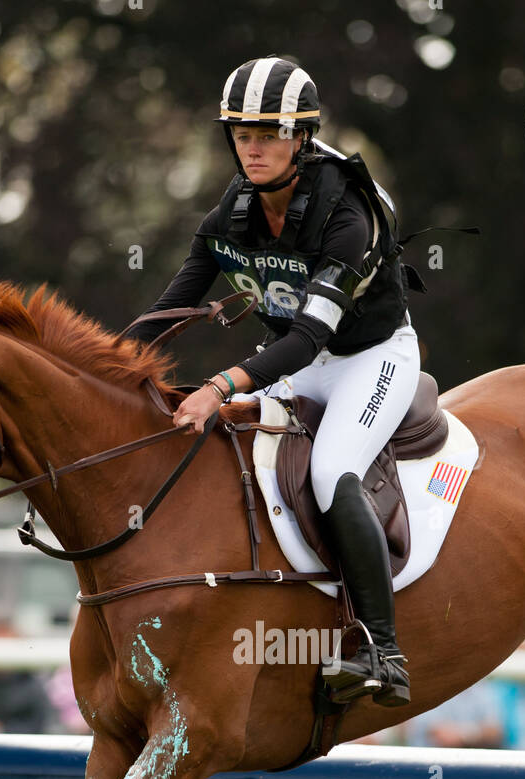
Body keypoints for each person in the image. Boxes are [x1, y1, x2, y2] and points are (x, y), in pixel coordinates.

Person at [123, 55, 422, 706]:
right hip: (297, 360)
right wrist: (99, 367)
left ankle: (382, 650)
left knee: (330, 469)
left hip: (370, 359)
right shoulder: (231, 216)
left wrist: (217, 386)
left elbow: (307, 338)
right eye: (241, 135)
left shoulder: (349, 218)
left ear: (301, 137)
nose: (252, 149)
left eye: (268, 134)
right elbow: (168, 310)